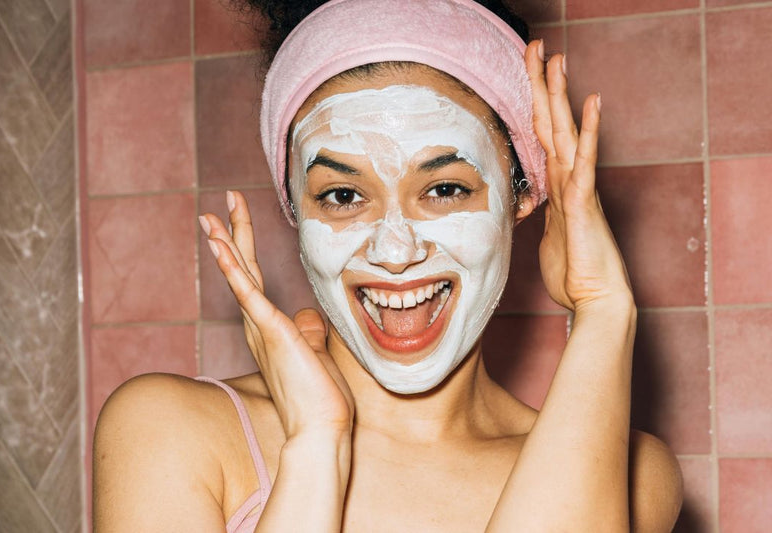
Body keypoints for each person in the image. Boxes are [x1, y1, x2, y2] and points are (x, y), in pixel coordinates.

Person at [93, 0, 683, 531]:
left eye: (446, 188)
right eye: (343, 197)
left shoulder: (634, 476)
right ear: (294, 207)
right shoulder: (168, 432)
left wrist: (605, 308)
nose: (395, 252)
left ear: (523, 194)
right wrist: (314, 450)